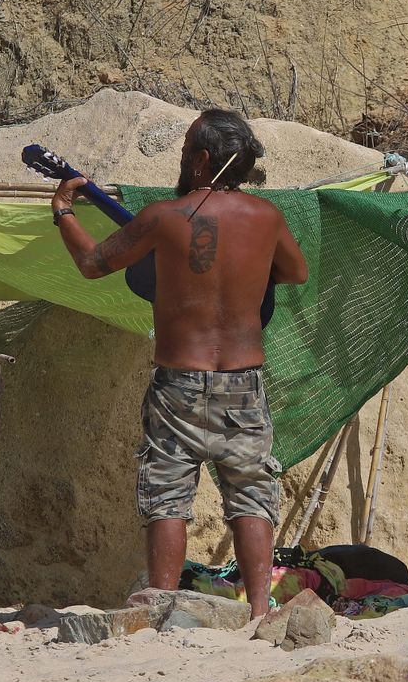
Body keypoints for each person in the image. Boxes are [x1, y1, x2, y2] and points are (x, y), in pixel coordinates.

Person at [50, 109, 308, 619]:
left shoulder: (164, 218)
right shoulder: (266, 217)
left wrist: (63, 211)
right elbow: (295, 271)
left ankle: (161, 607)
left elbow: (91, 263)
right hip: (244, 382)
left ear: (203, 160)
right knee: (250, 491)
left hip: (178, 385)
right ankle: (259, 609)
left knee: (168, 494)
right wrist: (245, 275)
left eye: (188, 147)